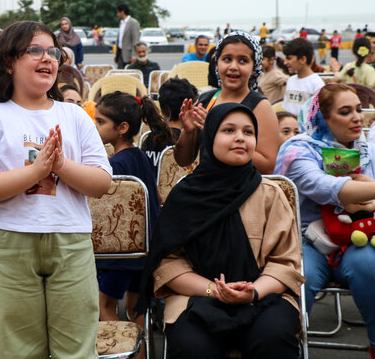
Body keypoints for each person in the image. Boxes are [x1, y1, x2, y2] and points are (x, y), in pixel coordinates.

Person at [0, 20, 112, 358]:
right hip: (10, 240)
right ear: (8, 61)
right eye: (35, 50)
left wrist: (59, 166)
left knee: (75, 349)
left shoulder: (73, 115)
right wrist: (36, 172)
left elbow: (102, 182)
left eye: (53, 52)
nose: (48, 58)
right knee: (21, 349)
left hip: (70, 241)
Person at [137, 102, 304, 359]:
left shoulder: (271, 195)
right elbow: (168, 264)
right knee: (192, 347)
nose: (240, 138)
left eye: (248, 132)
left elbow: (286, 264)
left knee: (273, 338)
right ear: (210, 137)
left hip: (264, 297)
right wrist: (213, 290)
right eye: (228, 130)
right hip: (197, 298)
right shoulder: (185, 196)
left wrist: (254, 292)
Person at [275, 84, 375, 357]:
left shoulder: (364, 149)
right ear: (323, 119)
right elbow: (323, 187)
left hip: (354, 237)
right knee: (295, 278)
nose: (357, 117)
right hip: (306, 239)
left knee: (369, 264)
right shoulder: (297, 150)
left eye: (358, 109)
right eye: (345, 112)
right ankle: (288, 348)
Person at [93, 91, 161, 359]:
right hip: (144, 252)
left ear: (121, 128)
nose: (96, 127)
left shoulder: (114, 165)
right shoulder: (140, 156)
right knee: (136, 313)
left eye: (100, 122)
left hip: (117, 257)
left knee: (106, 309)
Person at [174, 31, 279, 175]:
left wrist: (215, 133)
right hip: (205, 185)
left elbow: (267, 166)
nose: (233, 66)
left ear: (254, 67)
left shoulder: (260, 106)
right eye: (227, 59)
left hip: (241, 190)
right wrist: (188, 131)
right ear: (216, 63)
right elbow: (183, 160)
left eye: (243, 60)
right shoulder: (205, 101)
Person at [282, 38, 325, 115]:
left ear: (303, 59)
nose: (285, 62)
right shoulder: (291, 80)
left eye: (289, 58)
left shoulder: (317, 84)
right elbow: (286, 109)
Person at [115, 3, 141, 69]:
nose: (117, 15)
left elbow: (135, 40)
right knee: (120, 75)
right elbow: (120, 40)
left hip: (129, 55)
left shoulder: (133, 23)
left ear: (122, 12)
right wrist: (117, 55)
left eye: (118, 12)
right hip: (120, 54)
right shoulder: (121, 23)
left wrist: (134, 56)